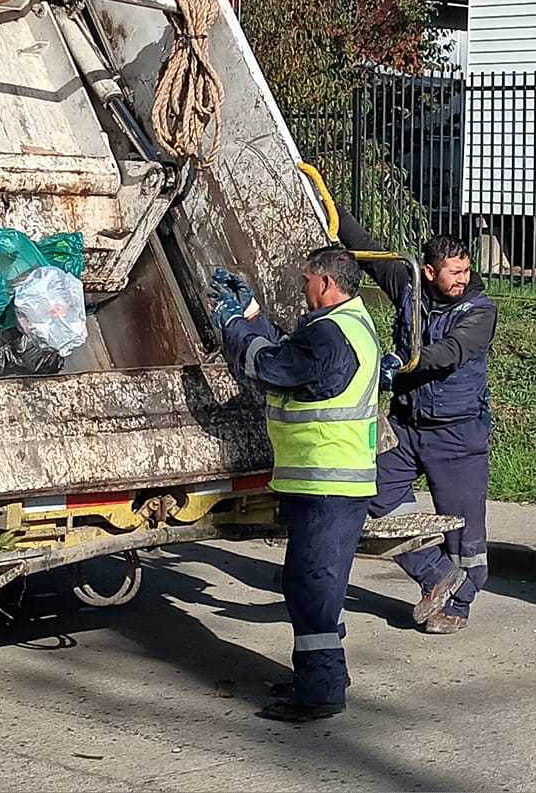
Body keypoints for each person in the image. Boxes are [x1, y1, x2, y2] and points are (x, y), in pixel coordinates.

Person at [213, 249, 382, 724]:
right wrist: (251, 315)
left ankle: (320, 690)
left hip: (325, 481)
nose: (302, 287)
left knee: (311, 586)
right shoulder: (349, 324)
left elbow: (270, 367)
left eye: (307, 279)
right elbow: (293, 354)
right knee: (319, 586)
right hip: (336, 482)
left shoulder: (329, 334)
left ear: (326, 282)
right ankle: (324, 676)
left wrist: (232, 328)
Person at [338, 213, 498, 634]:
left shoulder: (480, 311)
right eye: (454, 272)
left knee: (464, 535)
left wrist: (405, 364)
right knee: (374, 496)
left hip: (457, 434)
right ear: (429, 272)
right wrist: (324, 200)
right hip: (406, 426)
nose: (463, 278)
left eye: (466, 269)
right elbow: (365, 249)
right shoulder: (409, 283)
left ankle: (459, 604)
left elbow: (451, 351)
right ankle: (434, 574)